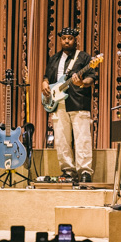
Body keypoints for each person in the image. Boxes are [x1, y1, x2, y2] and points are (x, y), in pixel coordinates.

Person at [40, 27, 97, 182]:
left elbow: (92, 77)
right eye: (64, 38)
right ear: (60, 39)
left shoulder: (84, 57)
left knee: (82, 138)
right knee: (61, 139)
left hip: (78, 102)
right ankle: (68, 171)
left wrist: (82, 83)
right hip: (58, 103)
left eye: (70, 38)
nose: (66, 41)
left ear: (75, 40)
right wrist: (45, 83)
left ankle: (85, 171)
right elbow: (47, 77)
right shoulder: (54, 59)